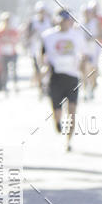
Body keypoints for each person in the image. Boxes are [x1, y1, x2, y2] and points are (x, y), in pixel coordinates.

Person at [41, 9, 86, 152]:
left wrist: (83, 74)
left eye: (68, 21)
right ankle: (57, 122)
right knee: (57, 111)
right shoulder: (48, 36)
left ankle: (68, 141)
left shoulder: (77, 36)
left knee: (72, 111)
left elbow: (84, 56)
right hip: (56, 77)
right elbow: (42, 55)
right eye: (62, 21)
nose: (65, 24)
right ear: (57, 21)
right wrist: (43, 69)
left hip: (72, 77)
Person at [82, 0, 102, 99]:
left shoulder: (96, 22)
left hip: (93, 49)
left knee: (92, 69)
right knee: (83, 69)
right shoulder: (79, 24)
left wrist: (92, 38)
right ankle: (85, 89)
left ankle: (92, 87)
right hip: (83, 51)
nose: (87, 15)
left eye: (88, 13)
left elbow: (101, 34)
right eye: (85, 13)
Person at [25, 2, 52, 97]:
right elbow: (27, 35)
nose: (42, 13)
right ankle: (40, 87)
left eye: (43, 11)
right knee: (37, 69)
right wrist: (33, 33)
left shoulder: (49, 21)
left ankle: (46, 85)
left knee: (47, 67)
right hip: (35, 48)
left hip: (47, 48)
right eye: (40, 11)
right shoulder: (32, 21)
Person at [0, 12, 20, 92]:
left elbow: (17, 40)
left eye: (8, 20)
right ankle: (4, 86)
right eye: (6, 20)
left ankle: (15, 85)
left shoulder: (13, 30)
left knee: (14, 70)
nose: (7, 22)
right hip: (3, 53)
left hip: (12, 52)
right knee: (5, 70)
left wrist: (10, 40)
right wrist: (3, 40)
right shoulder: (0, 30)